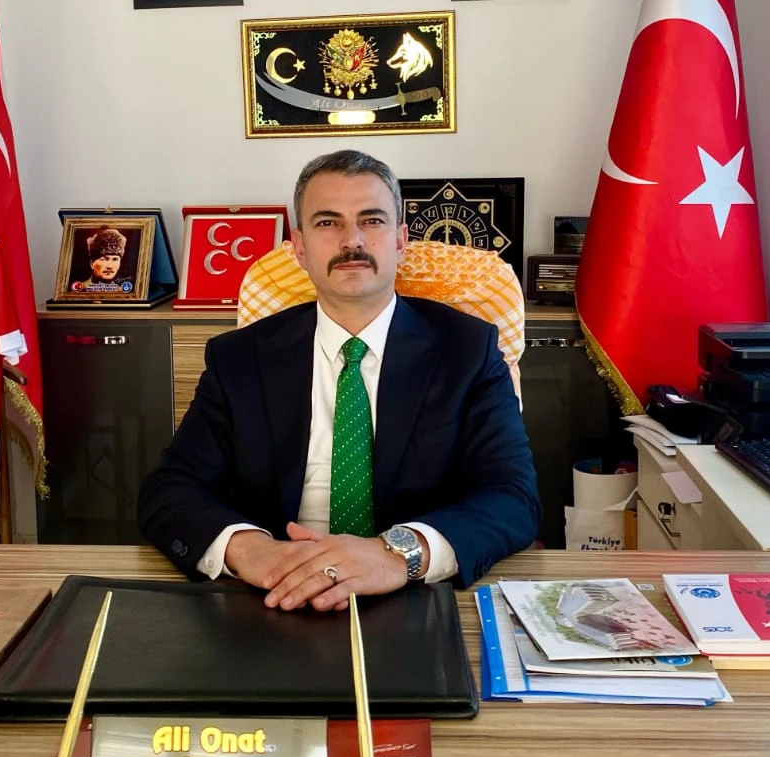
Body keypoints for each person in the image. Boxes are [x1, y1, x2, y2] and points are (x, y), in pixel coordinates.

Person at [136, 150, 539, 613]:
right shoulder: (239, 356)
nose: (352, 241)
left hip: (416, 596)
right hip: (273, 596)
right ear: (299, 247)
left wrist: (399, 554)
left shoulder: (468, 350)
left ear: (401, 240)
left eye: (372, 220)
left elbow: (513, 496)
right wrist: (250, 551)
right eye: (328, 222)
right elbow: (171, 488)